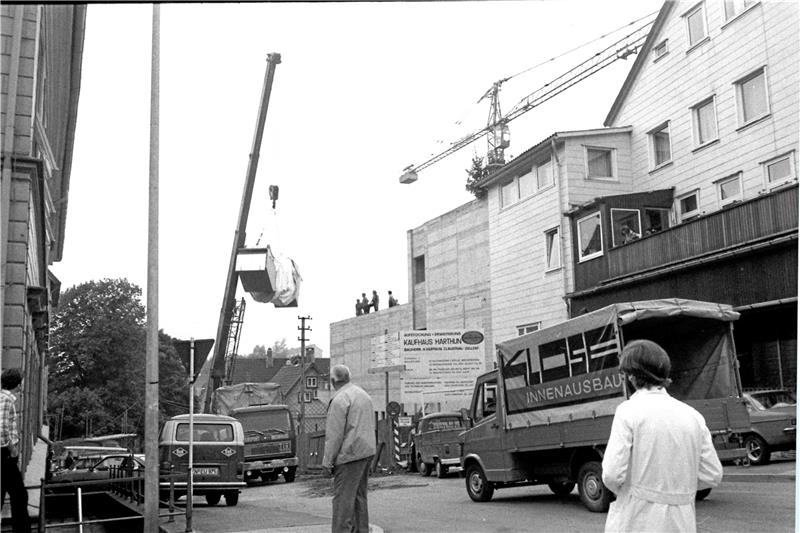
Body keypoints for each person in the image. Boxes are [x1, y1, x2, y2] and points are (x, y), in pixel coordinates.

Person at [601, 340, 723, 533]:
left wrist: (634, 492)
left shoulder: (628, 411)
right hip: (682, 522)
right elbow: (712, 474)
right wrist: (678, 491)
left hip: (637, 520)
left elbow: (611, 474)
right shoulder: (692, 415)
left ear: (632, 376)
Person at [322, 365, 376, 533]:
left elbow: (335, 435)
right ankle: (362, 530)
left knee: (342, 501)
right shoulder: (363, 395)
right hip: (366, 452)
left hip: (349, 455)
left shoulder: (339, 400)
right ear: (348, 378)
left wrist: (327, 462)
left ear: (333, 381)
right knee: (360, 497)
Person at [1, 368, 29, 532]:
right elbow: (1, 429)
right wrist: (12, 449)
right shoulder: (6, 400)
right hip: (5, 454)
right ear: (17, 383)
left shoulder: (4, 398)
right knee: (19, 497)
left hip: (4, 455)